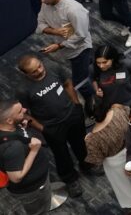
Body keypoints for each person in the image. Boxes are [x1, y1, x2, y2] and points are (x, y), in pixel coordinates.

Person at [14, 55, 87, 198]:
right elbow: (24, 114)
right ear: (26, 74)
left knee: (81, 143)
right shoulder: (23, 90)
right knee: (61, 155)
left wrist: (77, 105)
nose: (40, 71)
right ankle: (70, 179)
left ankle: (87, 164)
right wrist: (43, 130)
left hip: (72, 115)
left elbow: (67, 84)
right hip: (52, 127)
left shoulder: (53, 67)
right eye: (34, 71)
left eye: (39, 66)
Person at [34, 0, 94, 114]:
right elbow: (40, 24)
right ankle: (91, 65)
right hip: (64, 49)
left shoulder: (74, 10)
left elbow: (81, 35)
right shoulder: (46, 3)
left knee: (80, 80)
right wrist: (55, 31)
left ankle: (90, 98)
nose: (42, 1)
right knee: (85, 67)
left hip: (79, 49)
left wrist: (59, 45)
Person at [0, 98, 53, 213]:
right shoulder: (12, 147)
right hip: (33, 191)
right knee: (39, 211)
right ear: (9, 121)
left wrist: (22, 129)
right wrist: (34, 151)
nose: (24, 109)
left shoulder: (9, 126)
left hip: (37, 182)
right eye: (20, 111)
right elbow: (16, 177)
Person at [92, 44, 131, 120]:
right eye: (98, 63)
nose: (101, 66)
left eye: (105, 62)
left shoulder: (126, 64)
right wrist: (96, 89)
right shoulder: (95, 68)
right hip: (113, 107)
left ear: (112, 59)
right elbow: (93, 79)